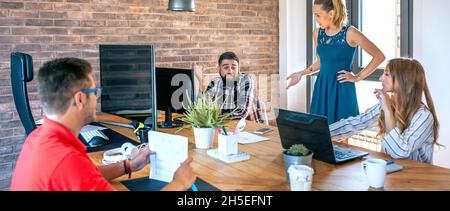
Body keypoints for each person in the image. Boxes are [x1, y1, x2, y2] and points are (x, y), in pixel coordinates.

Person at [10, 58, 196, 191]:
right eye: (95, 91)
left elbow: (84, 176)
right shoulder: (66, 161)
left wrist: (129, 165)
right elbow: (75, 172)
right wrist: (179, 184)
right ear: (80, 99)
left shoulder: (37, 138)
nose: (97, 97)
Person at [287, 0, 385, 124]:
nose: (316, 19)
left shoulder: (350, 33)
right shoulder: (317, 33)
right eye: (314, 15)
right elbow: (320, 63)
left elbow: (379, 56)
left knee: (343, 131)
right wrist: (300, 73)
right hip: (322, 87)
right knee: (320, 131)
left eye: (318, 15)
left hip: (342, 87)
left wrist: (358, 77)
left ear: (331, 13)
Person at [330, 58, 440, 163]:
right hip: (391, 171)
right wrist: (320, 133)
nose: (380, 78)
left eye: (386, 74)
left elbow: (399, 151)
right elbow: (355, 123)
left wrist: (387, 109)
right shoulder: (388, 104)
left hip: (417, 177)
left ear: (404, 80)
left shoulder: (423, 116)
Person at [200, 51, 268, 124]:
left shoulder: (246, 80)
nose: (230, 71)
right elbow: (202, 108)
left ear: (238, 69)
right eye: (226, 67)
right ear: (219, 69)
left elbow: (242, 112)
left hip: (253, 128)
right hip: (225, 125)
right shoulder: (215, 82)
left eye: (233, 67)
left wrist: (213, 113)